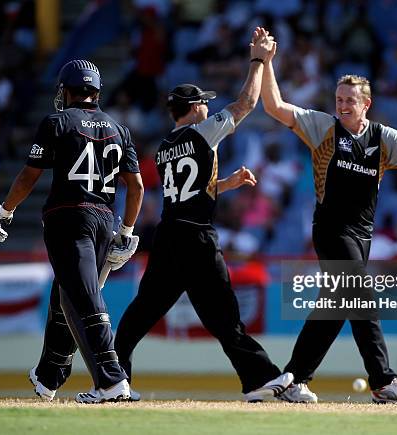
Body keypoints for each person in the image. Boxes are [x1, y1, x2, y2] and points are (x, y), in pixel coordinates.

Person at [114, 28, 294, 402]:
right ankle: (260, 380)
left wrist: (226, 183)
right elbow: (245, 104)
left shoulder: (165, 146)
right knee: (224, 315)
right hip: (196, 236)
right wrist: (259, 60)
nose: (209, 107)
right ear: (194, 109)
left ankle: (112, 377)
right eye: (204, 104)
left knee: (141, 314)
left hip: (169, 235)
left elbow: (190, 189)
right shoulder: (201, 134)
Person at [260, 29, 397, 404]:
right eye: (338, 99)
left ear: (366, 104)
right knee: (359, 295)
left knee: (337, 304)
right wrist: (265, 61)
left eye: (349, 101)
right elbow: (274, 106)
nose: (342, 105)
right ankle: (383, 380)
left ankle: (294, 379)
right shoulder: (323, 128)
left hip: (363, 233)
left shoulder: (384, 139)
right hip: (330, 228)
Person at [0, 59, 144, 403]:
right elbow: (137, 187)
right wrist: (128, 232)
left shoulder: (57, 122)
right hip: (105, 219)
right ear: (97, 90)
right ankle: (48, 377)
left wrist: (5, 208)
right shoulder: (120, 128)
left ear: (67, 89)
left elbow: (29, 175)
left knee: (84, 298)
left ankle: (112, 382)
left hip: (68, 217)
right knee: (67, 296)